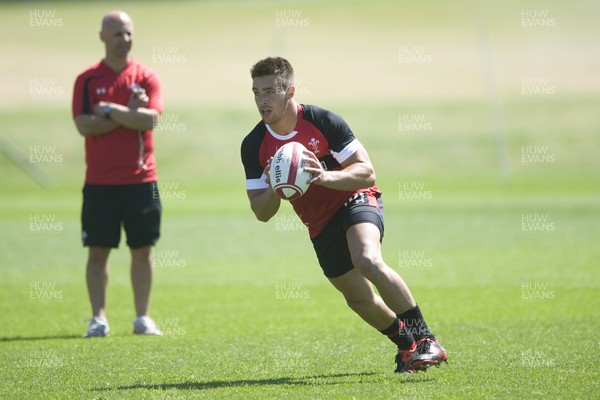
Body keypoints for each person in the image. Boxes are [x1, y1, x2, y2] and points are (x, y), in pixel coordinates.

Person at [240, 57, 448, 373]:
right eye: (256, 92)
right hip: (318, 222)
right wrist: (273, 187)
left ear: (290, 91)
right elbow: (261, 212)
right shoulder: (254, 144)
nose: (261, 100)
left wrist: (324, 177)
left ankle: (427, 339)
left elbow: (366, 172)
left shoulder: (323, 121)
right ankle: (407, 347)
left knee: (367, 259)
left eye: (269, 91)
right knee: (358, 298)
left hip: (354, 198)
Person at [72, 10, 163, 337]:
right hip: (99, 183)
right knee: (98, 251)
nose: (124, 39)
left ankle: (143, 318)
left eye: (128, 33)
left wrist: (111, 111)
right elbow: (84, 125)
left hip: (142, 181)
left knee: (142, 251)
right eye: (117, 34)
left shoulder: (146, 76)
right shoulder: (87, 80)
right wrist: (131, 115)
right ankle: (98, 318)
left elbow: (151, 120)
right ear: (102, 37)